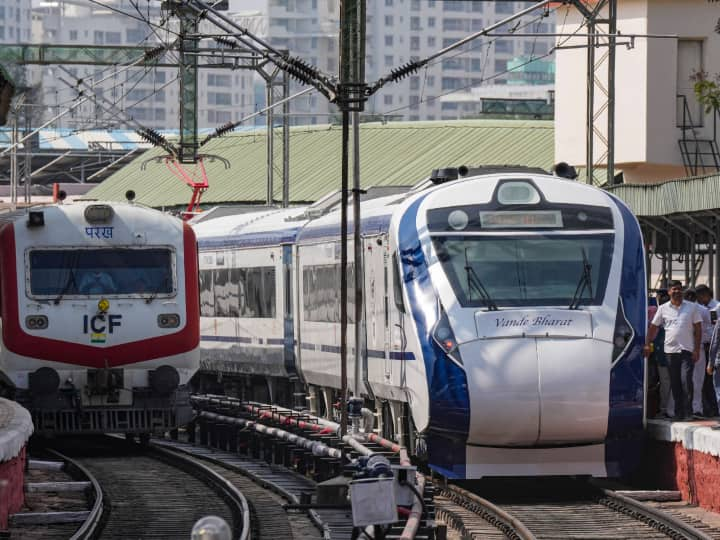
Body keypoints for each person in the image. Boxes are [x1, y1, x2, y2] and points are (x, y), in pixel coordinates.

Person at [645, 281, 702, 420]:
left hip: (686, 350)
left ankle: (688, 412)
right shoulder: (663, 308)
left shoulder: (692, 307)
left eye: (679, 289)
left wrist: (697, 349)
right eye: (674, 289)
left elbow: (698, 329)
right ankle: (678, 413)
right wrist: (647, 344)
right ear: (669, 292)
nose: (677, 291)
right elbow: (653, 327)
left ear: (682, 291)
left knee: (686, 381)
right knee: (675, 383)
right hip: (670, 351)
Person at [696, 284, 720, 417]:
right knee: (704, 382)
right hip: (704, 347)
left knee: (713, 383)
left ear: (705, 294)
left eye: (699, 296)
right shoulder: (700, 308)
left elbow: (715, 332)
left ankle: (715, 409)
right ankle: (709, 408)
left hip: (713, 348)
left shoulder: (717, 307)